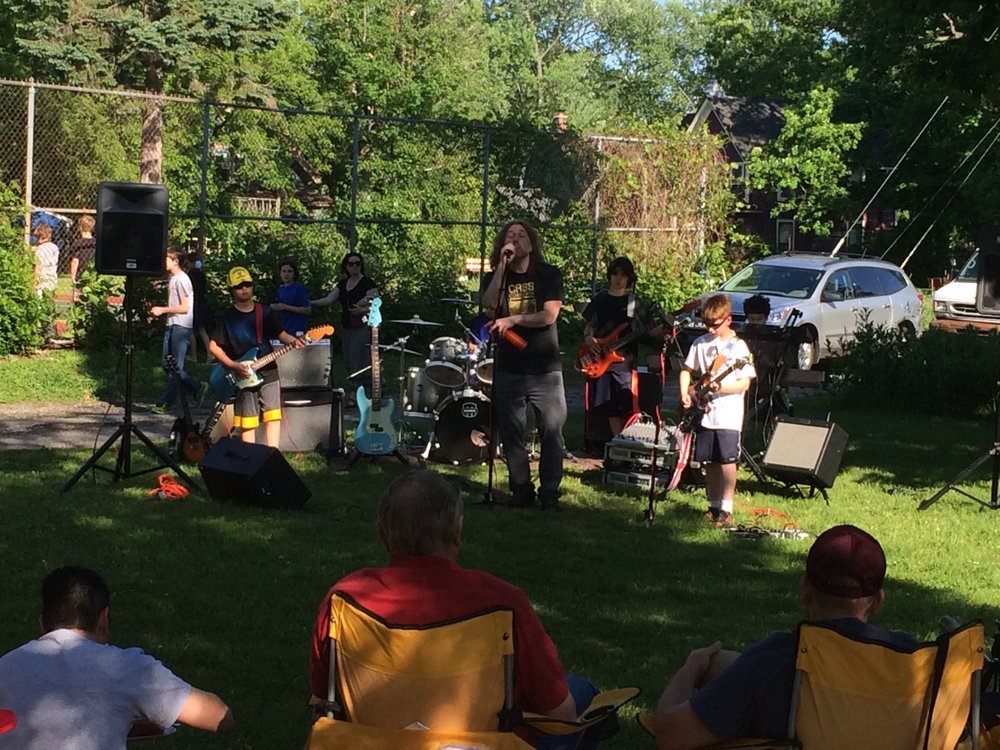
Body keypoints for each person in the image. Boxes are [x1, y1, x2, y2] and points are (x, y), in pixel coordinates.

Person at [309, 469, 600, 748]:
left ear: (382, 535)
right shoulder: (504, 603)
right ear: (457, 530)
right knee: (583, 692)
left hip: (373, 745)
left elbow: (325, 701)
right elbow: (560, 714)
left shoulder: (344, 600)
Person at [653, 525, 919, 749]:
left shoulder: (776, 660)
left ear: (805, 589)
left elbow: (670, 734)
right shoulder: (915, 663)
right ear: (877, 602)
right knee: (723, 664)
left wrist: (691, 668)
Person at [0, 565, 233, 749]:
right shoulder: (125, 668)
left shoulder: (6, 666)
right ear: (104, 620)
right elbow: (217, 717)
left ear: (42, 623)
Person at [480, 220, 566, 511]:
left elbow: (549, 316)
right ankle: (521, 488)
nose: (515, 239)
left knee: (552, 432)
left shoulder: (548, 274)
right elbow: (490, 306)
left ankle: (550, 492)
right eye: (509, 235)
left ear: (532, 242)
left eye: (521, 235)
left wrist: (513, 319)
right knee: (511, 432)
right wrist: (502, 267)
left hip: (545, 369)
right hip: (509, 367)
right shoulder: (496, 277)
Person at [678, 293, 755, 526]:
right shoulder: (700, 343)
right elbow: (686, 370)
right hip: (705, 412)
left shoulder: (738, 348)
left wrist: (722, 386)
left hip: (728, 414)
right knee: (708, 461)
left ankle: (727, 507)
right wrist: (684, 393)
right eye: (706, 324)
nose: (710, 329)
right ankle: (712, 505)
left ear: (728, 320)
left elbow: (745, 382)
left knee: (727, 460)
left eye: (715, 325)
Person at [208, 266, 304, 447]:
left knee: (273, 415)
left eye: (247, 284)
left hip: (268, 370)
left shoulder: (265, 312)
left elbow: (281, 334)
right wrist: (232, 365)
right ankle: (249, 456)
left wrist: (295, 341)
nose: (244, 289)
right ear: (232, 290)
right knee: (248, 420)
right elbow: (213, 346)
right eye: (239, 286)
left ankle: (272, 455)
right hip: (242, 374)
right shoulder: (228, 317)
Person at [581, 256, 661, 440]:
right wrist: (588, 338)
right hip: (601, 362)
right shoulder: (600, 299)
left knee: (628, 406)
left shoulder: (634, 302)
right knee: (608, 408)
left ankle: (631, 443)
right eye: (615, 274)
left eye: (623, 275)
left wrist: (667, 326)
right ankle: (618, 443)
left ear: (629, 278)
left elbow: (652, 330)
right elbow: (589, 325)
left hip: (625, 363)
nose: (618, 279)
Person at [310, 251, 378, 408]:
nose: (354, 267)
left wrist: (361, 310)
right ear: (345, 266)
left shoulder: (368, 283)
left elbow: (375, 303)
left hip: (363, 324)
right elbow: (329, 299)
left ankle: (355, 393)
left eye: (357, 263)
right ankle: (370, 387)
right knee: (347, 359)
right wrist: (310, 303)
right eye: (351, 264)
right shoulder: (342, 284)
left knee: (357, 358)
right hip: (347, 325)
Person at [150, 247, 205, 415]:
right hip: (171, 324)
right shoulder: (172, 279)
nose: (164, 262)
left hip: (181, 326)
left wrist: (162, 310)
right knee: (167, 364)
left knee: (175, 367)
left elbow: (184, 307)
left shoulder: (182, 279)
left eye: (167, 258)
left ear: (176, 261)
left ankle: (165, 402)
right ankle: (195, 386)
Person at [185, 249, 215, 364]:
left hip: (193, 304)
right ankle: (209, 355)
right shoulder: (202, 275)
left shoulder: (190, 275)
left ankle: (194, 356)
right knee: (202, 331)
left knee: (192, 330)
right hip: (202, 303)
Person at [270, 258, 311, 336]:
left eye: (289, 271)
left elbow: (308, 310)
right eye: (284, 271)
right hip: (284, 330)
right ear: (280, 273)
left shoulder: (299, 289)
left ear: (294, 274)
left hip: (298, 330)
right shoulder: (280, 289)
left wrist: (286, 307)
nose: (286, 274)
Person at [67, 214, 96, 287]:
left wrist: (73, 277)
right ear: (92, 228)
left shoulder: (78, 243)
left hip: (80, 274)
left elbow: (75, 261)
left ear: (80, 228)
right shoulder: (95, 243)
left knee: (79, 295)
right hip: (93, 273)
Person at [31, 222, 59, 296]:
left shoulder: (40, 249)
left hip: (42, 278)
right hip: (52, 277)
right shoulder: (55, 247)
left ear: (40, 237)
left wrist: (35, 282)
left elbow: (38, 266)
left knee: (39, 300)